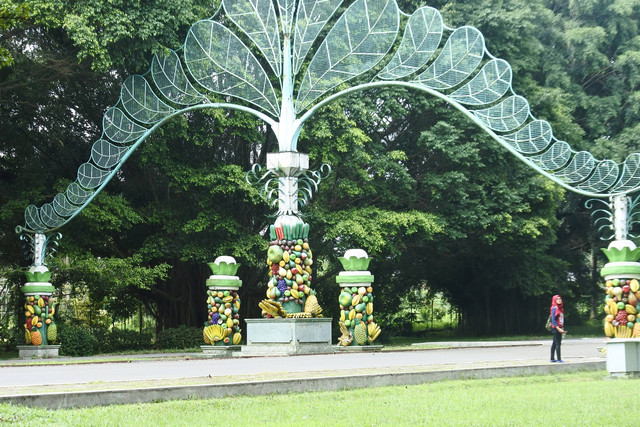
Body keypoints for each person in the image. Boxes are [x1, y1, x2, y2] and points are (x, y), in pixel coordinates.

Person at [550, 295, 565, 362]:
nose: (559, 300)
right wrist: (558, 328)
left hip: (560, 327)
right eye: (557, 299)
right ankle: (559, 359)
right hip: (556, 328)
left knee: (554, 343)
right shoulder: (554, 308)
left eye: (560, 299)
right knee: (558, 343)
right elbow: (553, 319)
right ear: (555, 300)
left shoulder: (560, 308)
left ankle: (552, 358)